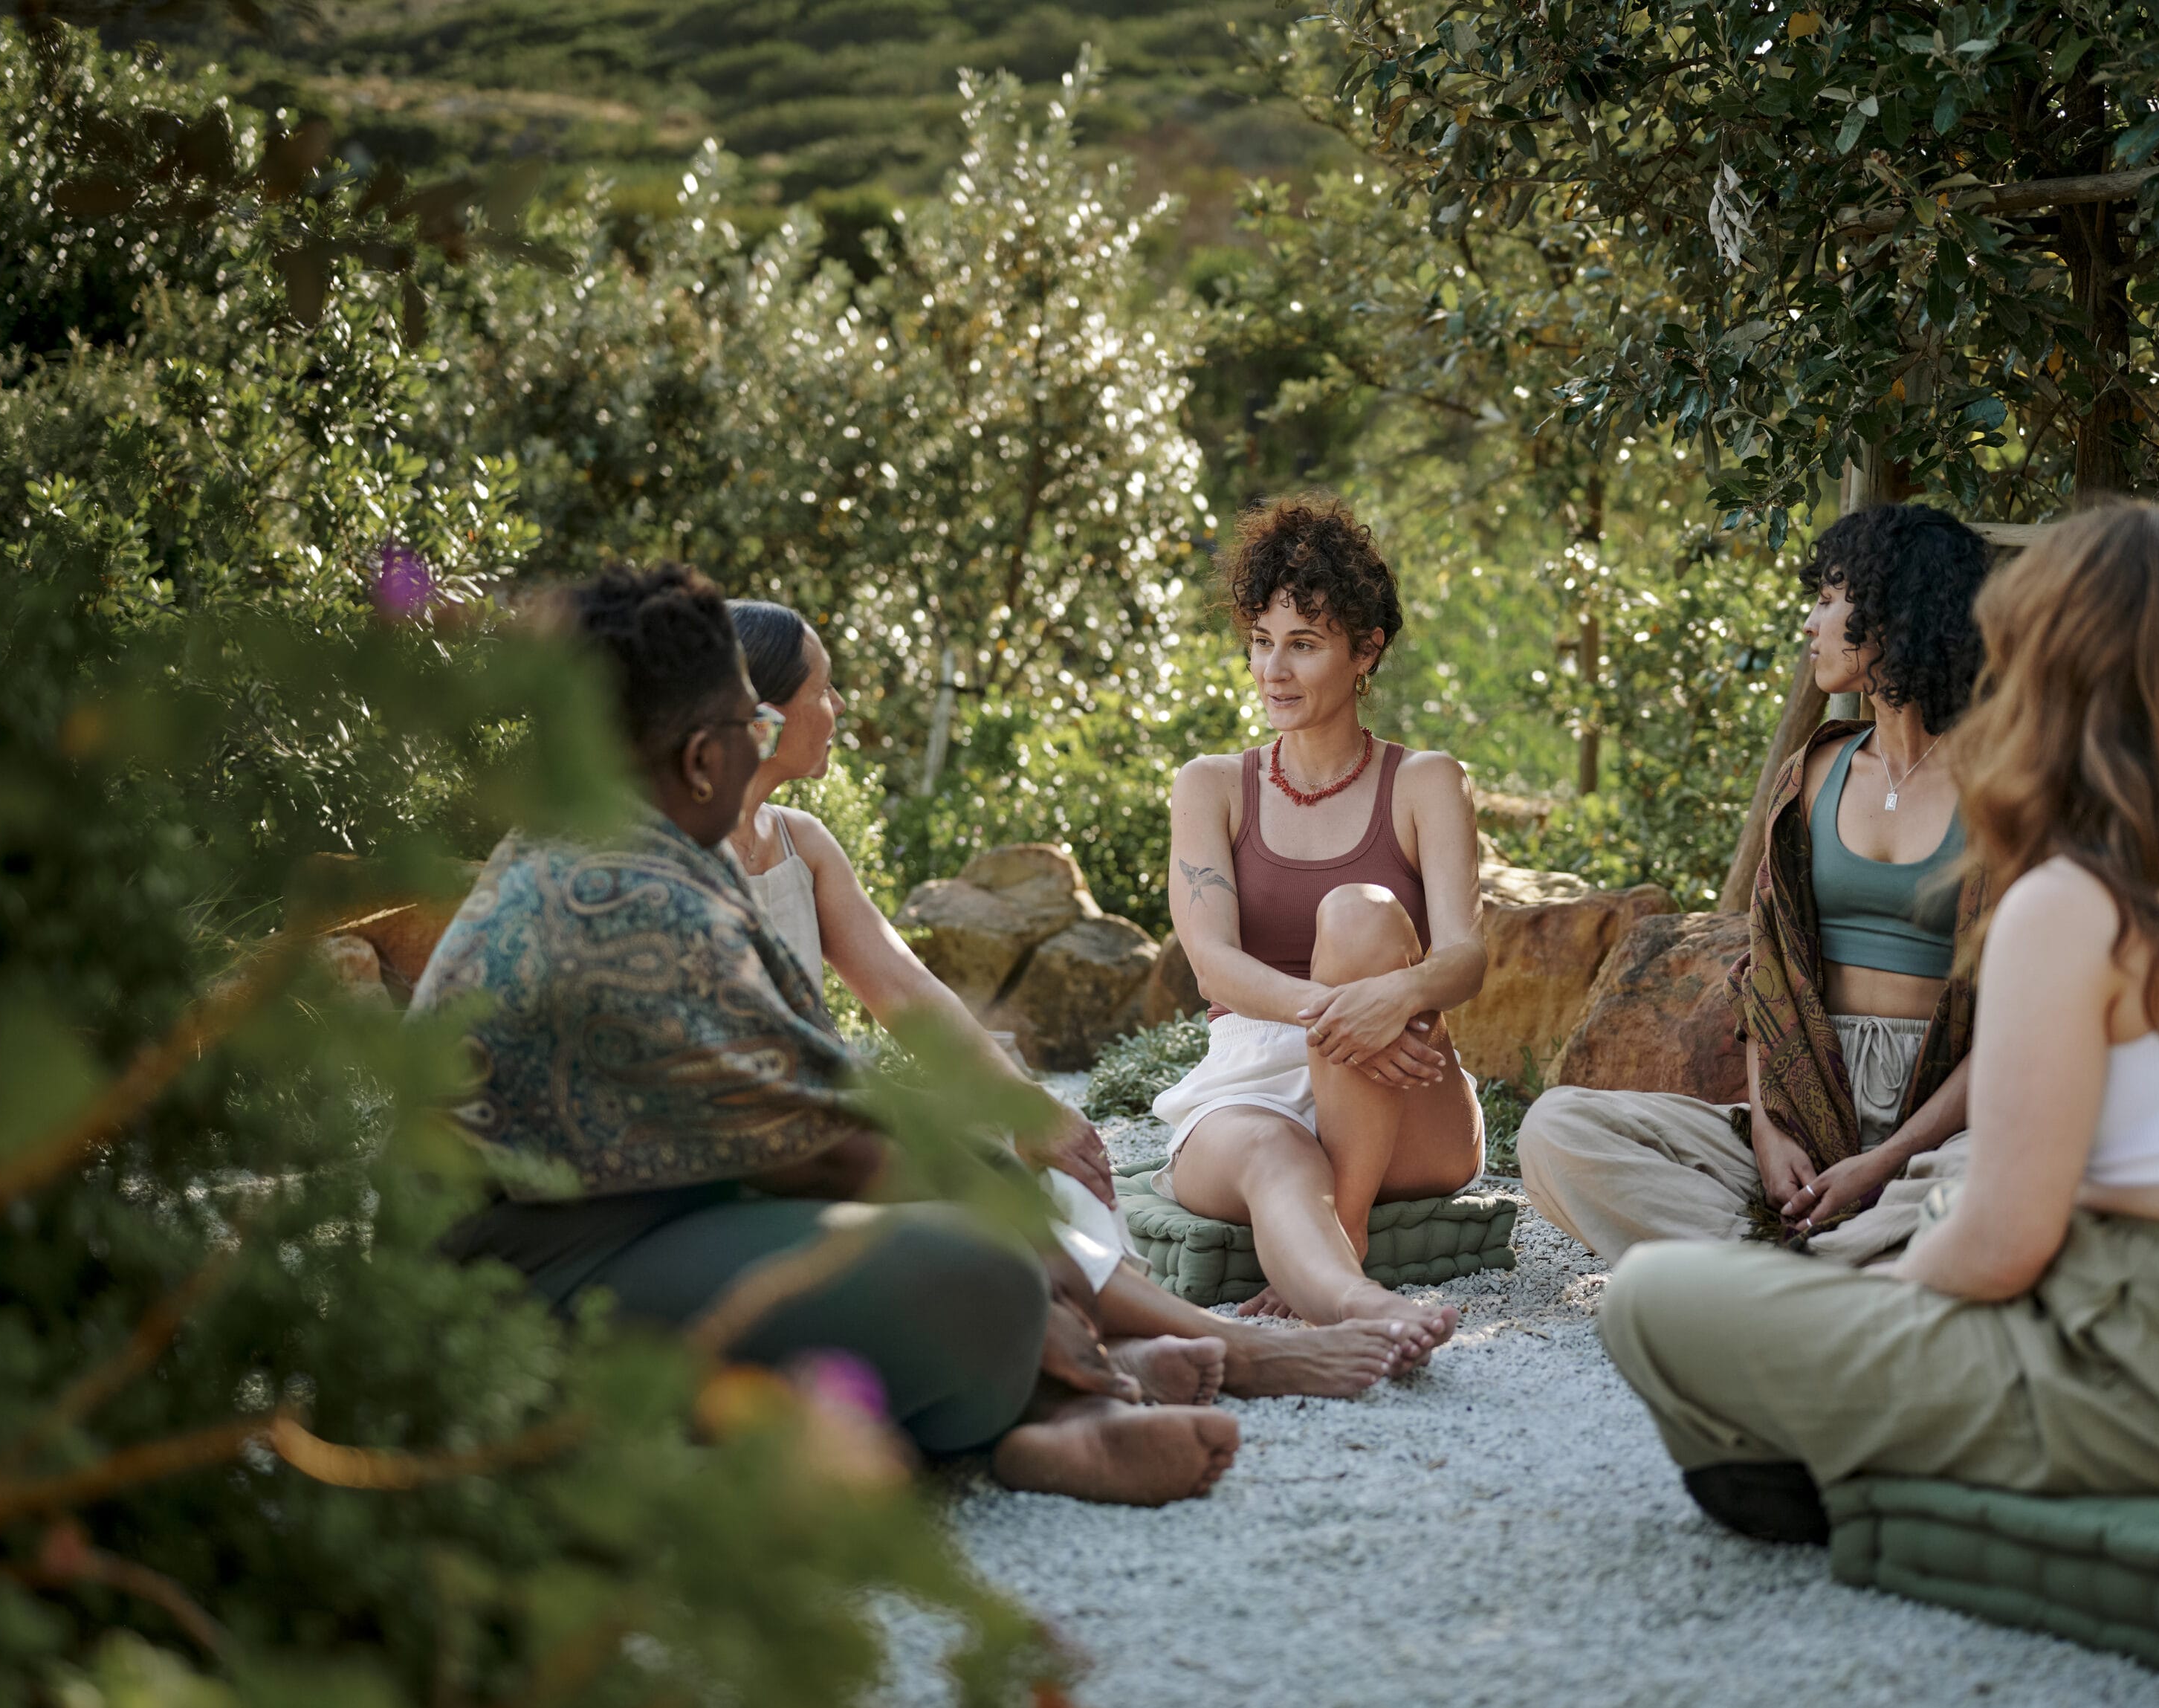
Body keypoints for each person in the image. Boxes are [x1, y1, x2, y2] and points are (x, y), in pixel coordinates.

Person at [1601, 502, 2159, 1543]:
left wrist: (1859, 1315)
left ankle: (1872, 1460)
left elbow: (2000, 1245)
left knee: (1656, 1303)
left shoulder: (2075, 899)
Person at [415, 561, 1238, 1504]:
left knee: (985, 1185)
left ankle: (1061, 1410)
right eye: (749, 726)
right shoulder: (619, 889)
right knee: (984, 1271)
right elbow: (824, 1152)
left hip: (655, 1211)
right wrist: (1034, 1265)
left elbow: (816, 1089)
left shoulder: (650, 843)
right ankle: (1069, 1393)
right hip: (522, 1287)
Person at [722, 595, 1433, 1397]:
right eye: (823, 689)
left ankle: (1112, 1358)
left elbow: (911, 996)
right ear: (765, 720)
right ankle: (1235, 1349)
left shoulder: (803, 844)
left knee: (1057, 1174)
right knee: (980, 1178)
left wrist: (1033, 1109)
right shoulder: (678, 861)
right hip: (774, 1133)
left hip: (823, 1121)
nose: (841, 705)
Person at [1518, 504, 1992, 1264]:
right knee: (1557, 1129)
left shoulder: (2008, 787)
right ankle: (1841, 1264)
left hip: (1943, 1127)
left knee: (1995, 1181)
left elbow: (2018, 1023)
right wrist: (1770, 1136)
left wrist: (1887, 1159)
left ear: (1895, 610)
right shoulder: (1813, 773)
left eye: (1831, 599)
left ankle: (1781, 1270)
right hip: (1807, 1101)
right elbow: (1766, 977)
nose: (1811, 622)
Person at [1155, 494, 1484, 1349]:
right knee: (1275, 1161)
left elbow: (1466, 960)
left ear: (1365, 648)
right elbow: (1213, 967)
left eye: (1303, 645)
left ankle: (1347, 1217)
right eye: (1262, 643)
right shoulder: (1211, 786)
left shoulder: (1426, 783)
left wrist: (1395, 994)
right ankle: (1369, 1311)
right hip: (1255, 1077)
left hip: (1406, 1095)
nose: (1274, 671)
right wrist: (1343, 1012)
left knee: (1361, 916)